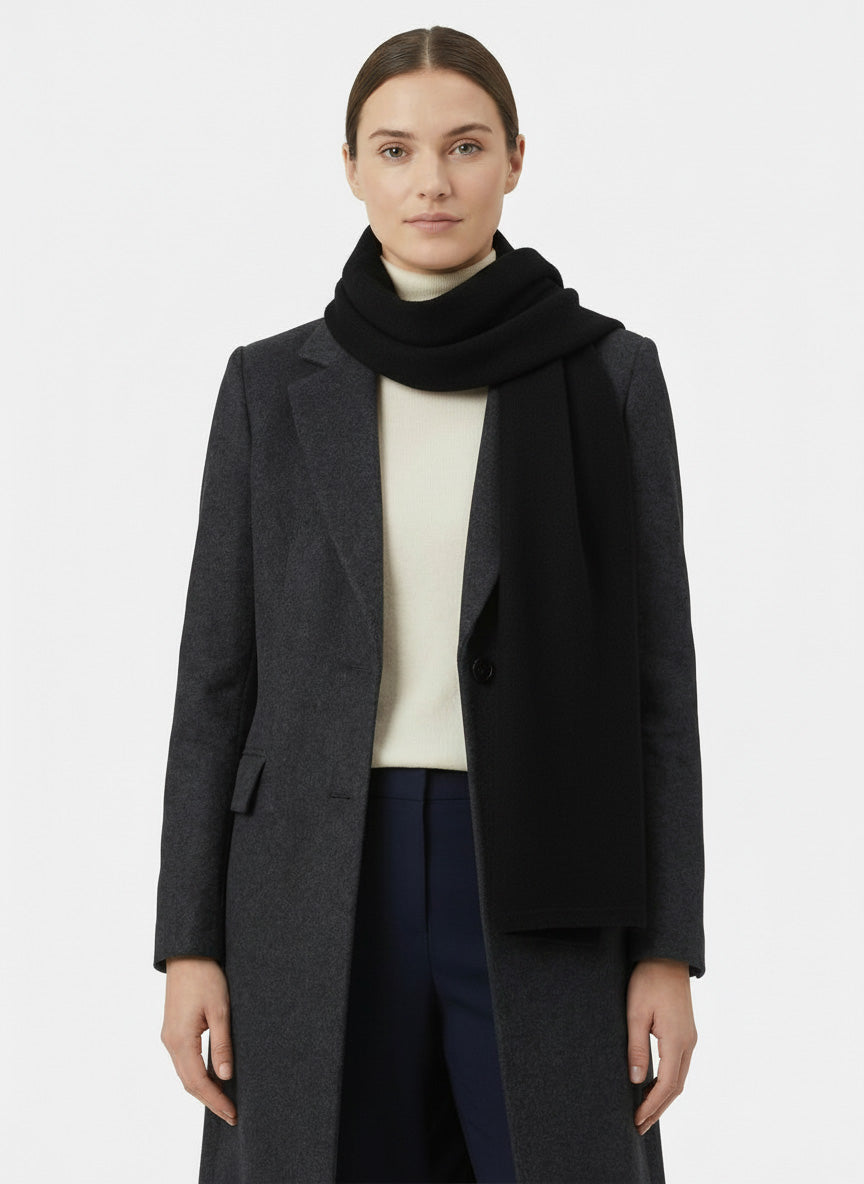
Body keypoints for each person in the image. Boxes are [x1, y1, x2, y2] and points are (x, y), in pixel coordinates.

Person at [155, 24, 704, 1184]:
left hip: (545, 865)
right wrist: (188, 941)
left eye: (464, 145)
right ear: (352, 168)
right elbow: (215, 682)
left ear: (515, 158)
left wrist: (668, 949)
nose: (431, 182)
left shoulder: (607, 376)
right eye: (395, 150)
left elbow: (659, 684)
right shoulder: (272, 384)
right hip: (311, 870)